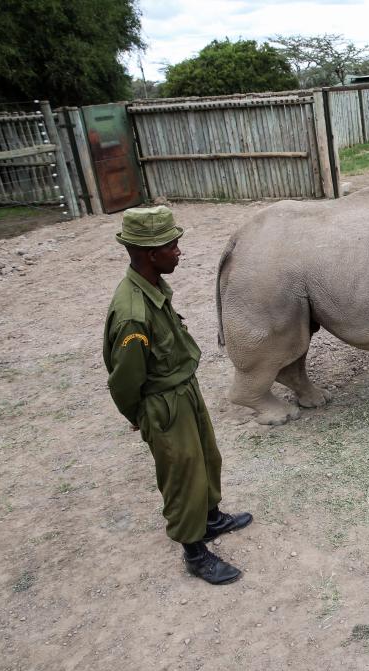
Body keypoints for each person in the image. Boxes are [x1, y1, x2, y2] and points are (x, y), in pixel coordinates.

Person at [103, 206, 252, 585]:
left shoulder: (151, 288)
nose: (179, 252)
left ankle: (211, 518)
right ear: (151, 254)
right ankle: (194, 551)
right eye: (173, 246)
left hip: (184, 389)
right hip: (164, 403)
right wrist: (141, 417)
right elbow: (124, 380)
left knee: (206, 456)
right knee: (182, 474)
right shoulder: (133, 313)